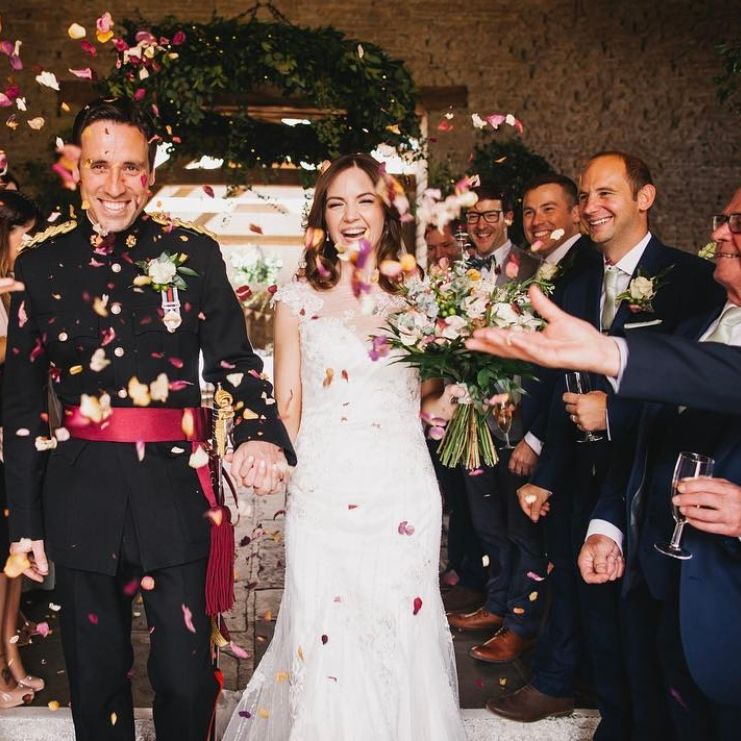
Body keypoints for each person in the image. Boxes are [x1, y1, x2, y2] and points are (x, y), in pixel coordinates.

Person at [3, 97, 294, 741]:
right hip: (80, 494)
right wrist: (24, 523)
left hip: (174, 490)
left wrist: (258, 434)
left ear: (150, 174)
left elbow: (235, 360)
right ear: (77, 170)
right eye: (100, 166)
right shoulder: (39, 267)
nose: (115, 185)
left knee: (186, 679)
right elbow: (21, 407)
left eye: (130, 167)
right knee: (95, 677)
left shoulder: (194, 252)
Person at [223, 153, 466, 741]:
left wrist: (464, 392)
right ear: (322, 218)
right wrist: (267, 455)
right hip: (325, 492)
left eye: (364, 201)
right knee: (324, 637)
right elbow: (288, 406)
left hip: (402, 489)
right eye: (336, 203)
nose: (351, 215)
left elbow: (430, 398)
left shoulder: (422, 298)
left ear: (386, 212)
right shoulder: (296, 301)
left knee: (401, 631)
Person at [487, 152, 724, 735]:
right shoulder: (578, 283)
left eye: (606, 193)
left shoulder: (691, 280)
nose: (591, 207)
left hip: (651, 480)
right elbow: (563, 388)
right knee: (588, 601)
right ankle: (607, 713)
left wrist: (614, 412)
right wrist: (548, 474)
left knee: (648, 629)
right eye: (587, 195)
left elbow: (700, 383)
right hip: (585, 477)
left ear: (645, 198)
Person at [576, 187, 741, 740]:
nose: (718, 234)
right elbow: (643, 440)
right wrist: (609, 526)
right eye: (722, 220)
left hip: (727, 610)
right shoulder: (694, 326)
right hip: (652, 582)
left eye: (737, 224)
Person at [445, 183, 546, 665]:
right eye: (472, 217)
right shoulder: (457, 275)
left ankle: (522, 623)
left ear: (507, 216)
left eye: (489, 215)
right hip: (473, 421)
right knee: (486, 524)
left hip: (518, 422)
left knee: (520, 528)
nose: (480, 225)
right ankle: (497, 602)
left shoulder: (535, 270)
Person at [423, 223, 486, 612]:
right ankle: (455, 567)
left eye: (446, 244)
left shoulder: (475, 287)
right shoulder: (424, 289)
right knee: (449, 492)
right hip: (434, 410)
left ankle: (470, 575)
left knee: (470, 497)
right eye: (432, 247)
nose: (440, 253)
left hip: (472, 409)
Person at [0, 191, 39, 708]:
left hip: (14, 433)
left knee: (13, 556)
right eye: (21, 232)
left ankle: (11, 659)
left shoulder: (13, 288)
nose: (26, 241)